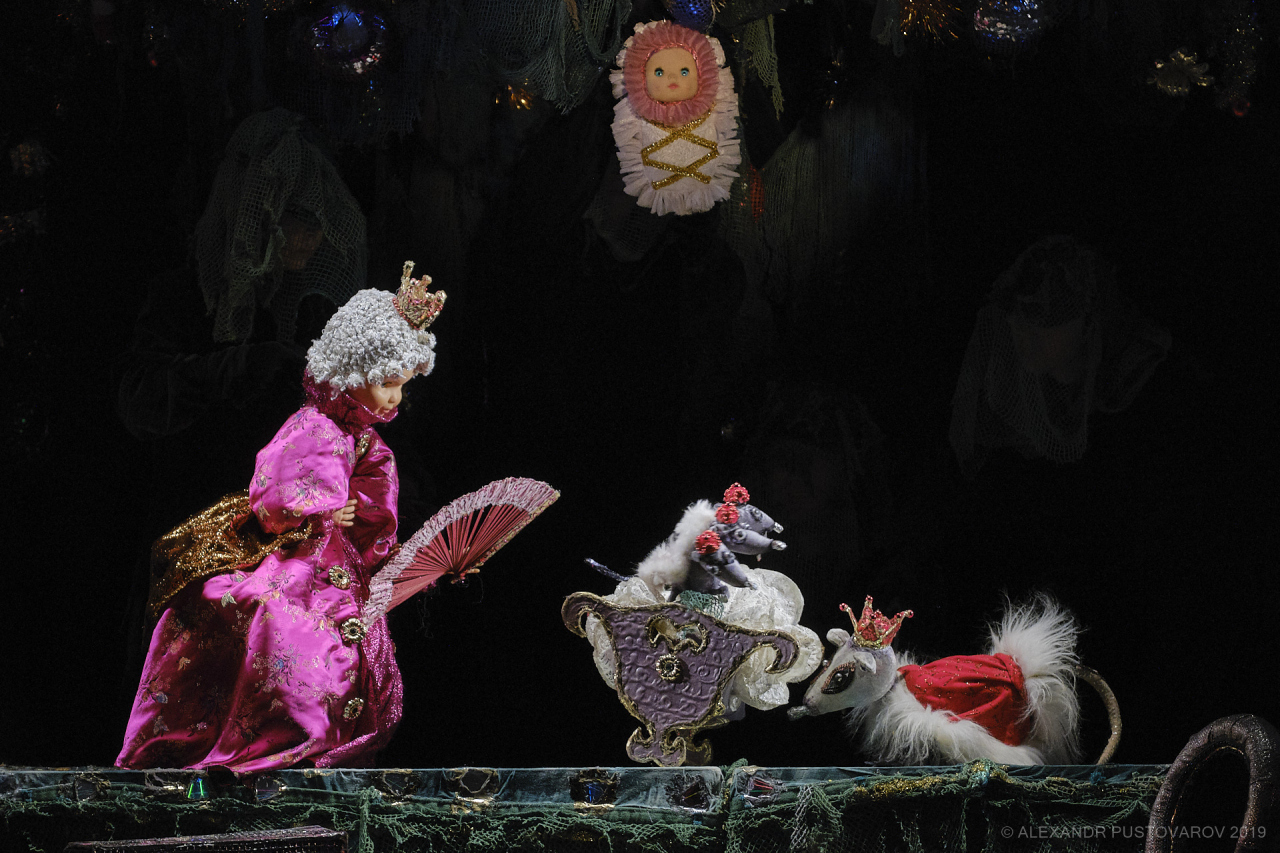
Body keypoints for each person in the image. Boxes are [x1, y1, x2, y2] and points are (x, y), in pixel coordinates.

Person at [117, 262, 445, 771]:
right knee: (272, 616)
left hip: (335, 559)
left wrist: (380, 540)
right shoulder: (314, 425)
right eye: (386, 383)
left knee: (339, 637)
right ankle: (268, 734)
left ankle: (322, 737)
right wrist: (324, 508)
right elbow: (275, 492)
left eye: (402, 385)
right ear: (354, 371)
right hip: (292, 549)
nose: (395, 398)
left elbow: (376, 522)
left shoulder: (367, 443)